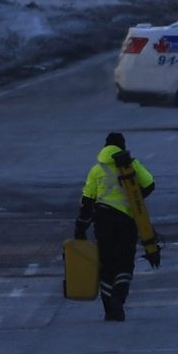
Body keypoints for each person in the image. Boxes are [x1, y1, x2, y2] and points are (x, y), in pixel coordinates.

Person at [73, 132, 156, 322]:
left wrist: (80, 228)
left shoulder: (96, 170)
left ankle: (109, 310)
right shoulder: (131, 165)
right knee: (125, 263)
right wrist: (135, 197)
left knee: (107, 265)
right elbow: (150, 184)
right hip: (126, 221)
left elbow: (87, 201)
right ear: (122, 147)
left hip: (103, 221)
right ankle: (118, 299)